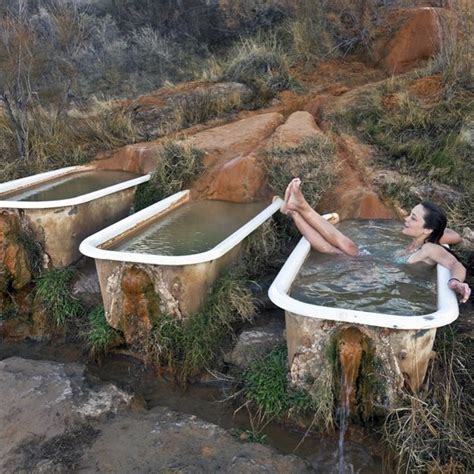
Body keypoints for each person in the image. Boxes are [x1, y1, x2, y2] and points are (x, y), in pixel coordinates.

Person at [282, 178, 471, 304]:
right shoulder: (420, 242)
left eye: (413, 218)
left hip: (374, 277)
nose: (406, 219)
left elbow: (456, 264)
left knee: (345, 246)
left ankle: (300, 207)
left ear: (428, 229)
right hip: (373, 269)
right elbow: (451, 235)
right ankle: (295, 211)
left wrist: (455, 283)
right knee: (333, 249)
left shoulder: (430, 248)